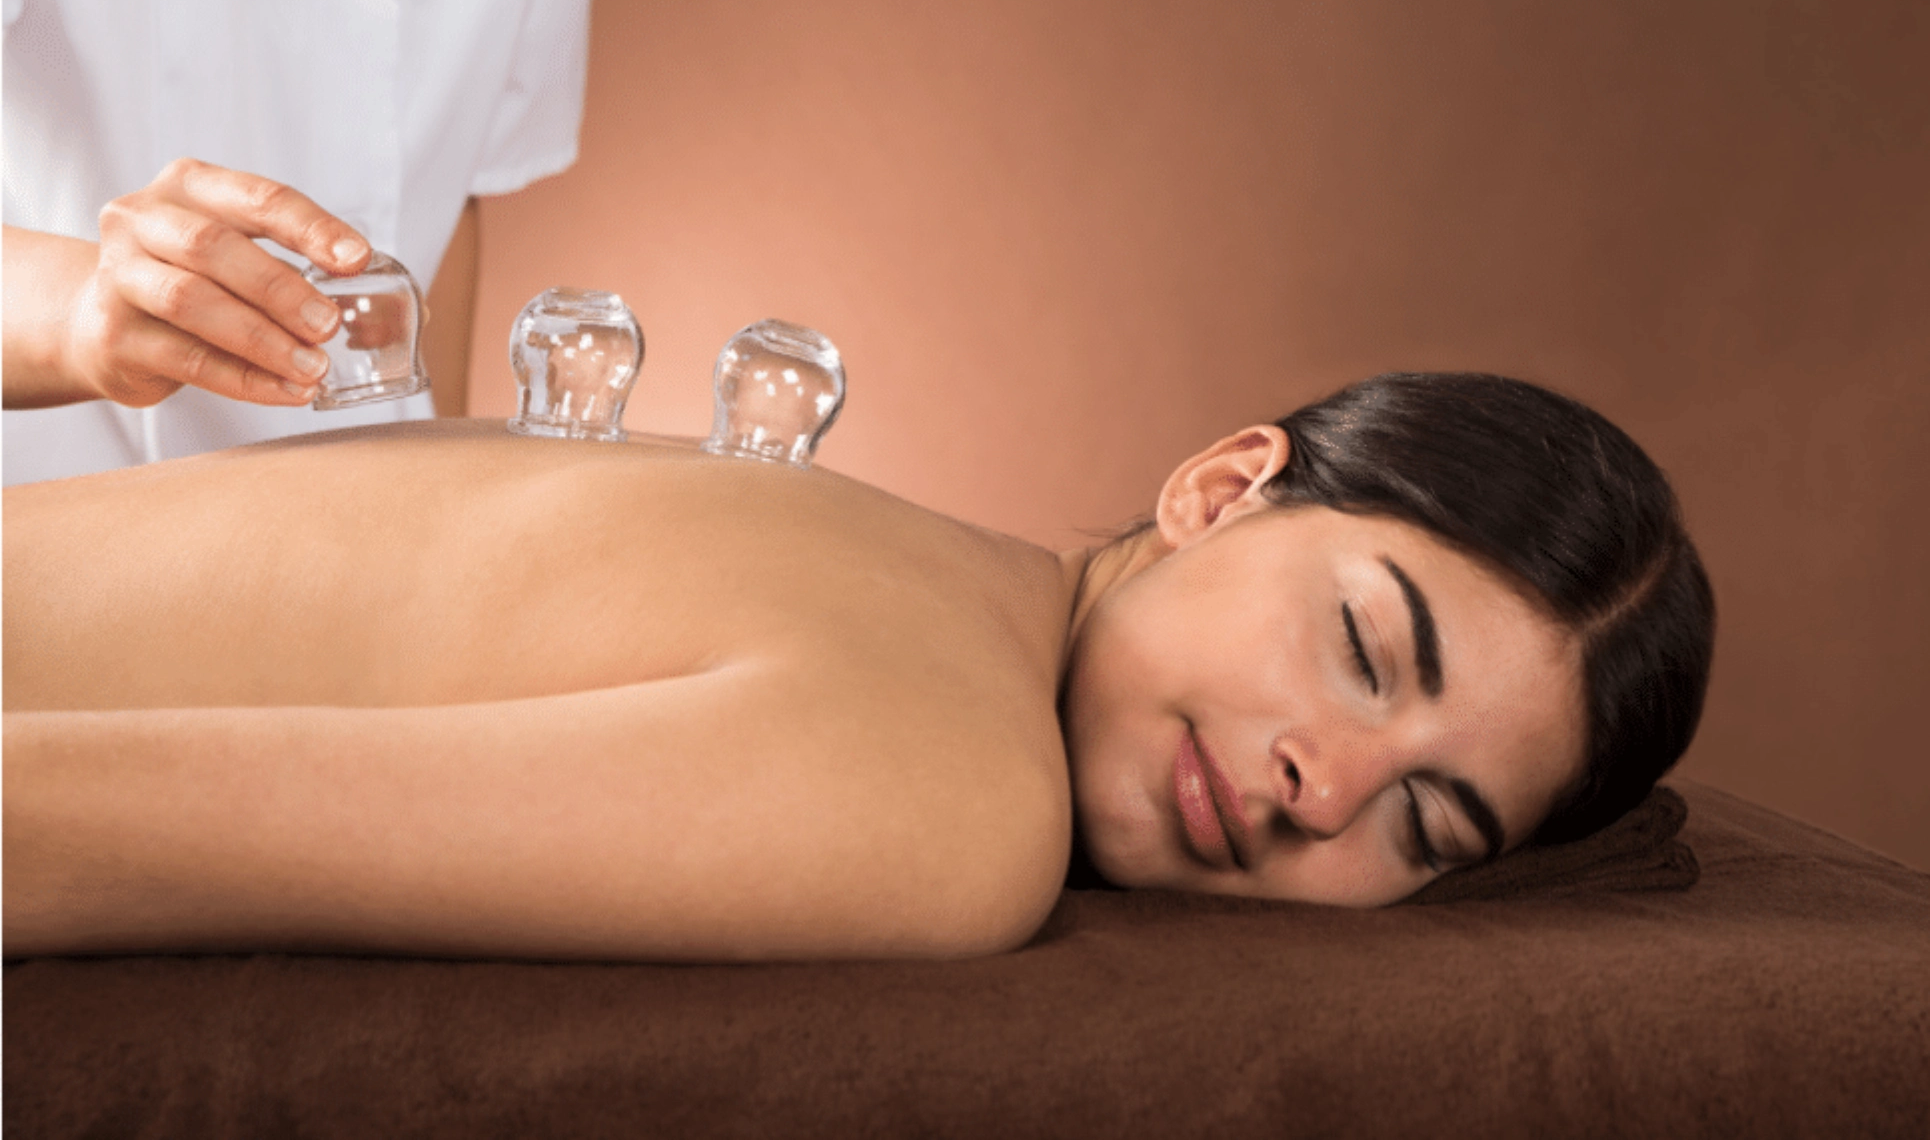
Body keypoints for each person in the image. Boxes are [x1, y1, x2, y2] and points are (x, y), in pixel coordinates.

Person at [1, 373, 1715, 961]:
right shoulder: (955, 796)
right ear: (1219, 489)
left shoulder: (845, 526)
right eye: (1360, 648)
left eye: (1425, 823)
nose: (1317, 786)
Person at [0, 0, 618, 483]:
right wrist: (78, 313)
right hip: (61, 501)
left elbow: (444, 209)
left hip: (354, 523)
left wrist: (436, 502)